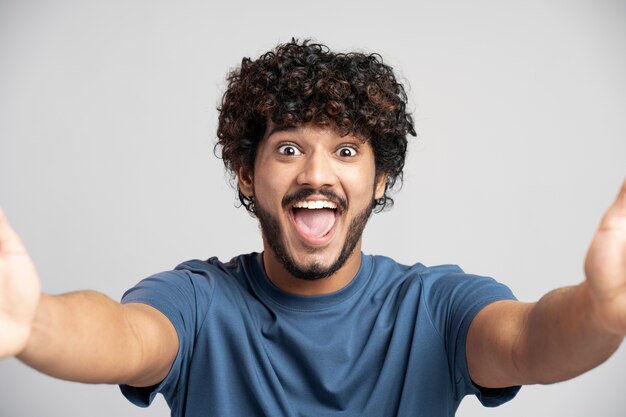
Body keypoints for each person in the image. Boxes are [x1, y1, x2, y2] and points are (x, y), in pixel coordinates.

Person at [0, 39, 624, 417]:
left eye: (347, 151)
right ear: (248, 175)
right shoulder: (198, 301)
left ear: (381, 181)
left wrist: (600, 312)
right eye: (290, 149)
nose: (317, 175)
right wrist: (33, 323)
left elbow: (528, 342)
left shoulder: (434, 307)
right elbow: (123, 337)